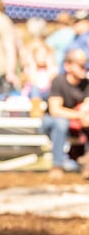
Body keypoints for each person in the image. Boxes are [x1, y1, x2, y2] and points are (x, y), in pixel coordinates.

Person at [40, 48, 89, 180]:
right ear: (68, 66)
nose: (84, 68)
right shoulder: (59, 81)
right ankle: (57, 166)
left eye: (85, 64)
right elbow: (56, 110)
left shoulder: (86, 84)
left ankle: (87, 163)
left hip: (76, 122)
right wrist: (80, 115)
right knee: (61, 123)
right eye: (80, 65)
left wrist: (84, 114)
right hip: (51, 121)